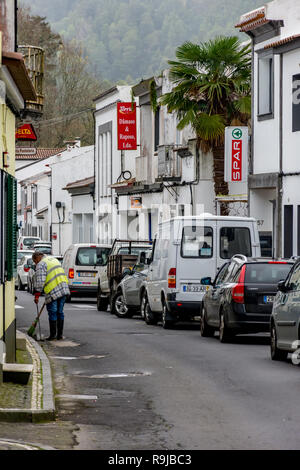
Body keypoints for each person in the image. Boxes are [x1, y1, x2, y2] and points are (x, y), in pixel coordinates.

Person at [32, 251, 70, 341]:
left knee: (53, 312)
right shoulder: (54, 260)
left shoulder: (41, 264)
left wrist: (37, 295)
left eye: (35, 261)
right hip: (63, 288)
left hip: (53, 290)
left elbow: (40, 282)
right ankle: (59, 335)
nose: (35, 264)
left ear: (37, 258)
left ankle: (53, 336)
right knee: (60, 312)